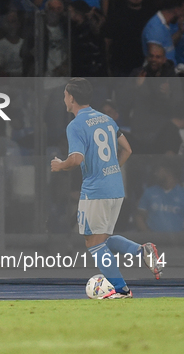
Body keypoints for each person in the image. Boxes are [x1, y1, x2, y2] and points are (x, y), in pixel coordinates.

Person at [51, 77, 164, 299]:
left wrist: (60, 166)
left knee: (92, 244)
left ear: (71, 97)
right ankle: (141, 251)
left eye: (65, 95)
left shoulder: (75, 125)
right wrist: (110, 169)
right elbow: (127, 150)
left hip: (96, 190)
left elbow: (75, 158)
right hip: (115, 187)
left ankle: (121, 289)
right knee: (101, 240)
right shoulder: (106, 119)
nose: (64, 98)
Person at [103, 0, 154, 77]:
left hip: (145, 67)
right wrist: (107, 65)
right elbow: (107, 41)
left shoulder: (150, 16)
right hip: (122, 67)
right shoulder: (116, 16)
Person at [136, 162, 184, 232]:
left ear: (168, 171)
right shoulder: (149, 192)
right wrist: (148, 235)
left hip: (177, 239)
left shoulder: (182, 193)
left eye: (158, 171)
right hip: (154, 239)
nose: (155, 174)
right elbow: (139, 216)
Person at [141, 0, 184, 64]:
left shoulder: (167, 24)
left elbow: (167, 46)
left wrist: (180, 31)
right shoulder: (155, 29)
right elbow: (155, 63)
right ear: (177, 9)